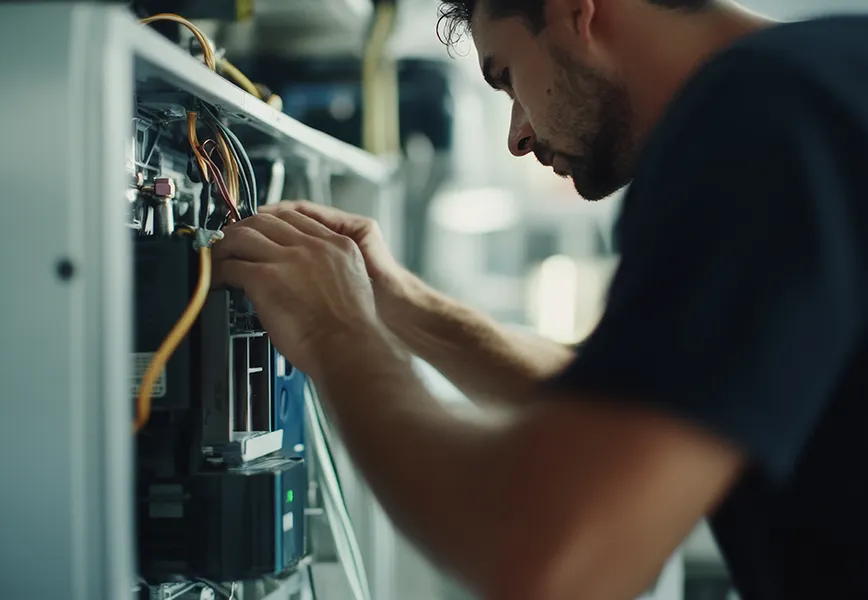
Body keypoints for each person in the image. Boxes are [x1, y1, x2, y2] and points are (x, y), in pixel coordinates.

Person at [211, 0, 868, 598]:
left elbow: (549, 558)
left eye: (506, 78)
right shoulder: (823, 85)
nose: (518, 135)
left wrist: (335, 331)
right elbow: (631, 411)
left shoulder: (767, 115)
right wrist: (397, 301)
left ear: (576, 11)